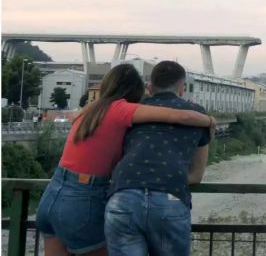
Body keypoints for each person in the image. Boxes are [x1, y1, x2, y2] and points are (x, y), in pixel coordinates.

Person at [35, 64, 216, 256]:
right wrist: (209, 121)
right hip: (83, 199)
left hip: (52, 195)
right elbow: (182, 116)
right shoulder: (121, 110)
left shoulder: (88, 111)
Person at [104, 61, 213, 256]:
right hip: (169, 198)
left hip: (123, 196)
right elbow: (196, 175)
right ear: (182, 88)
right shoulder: (197, 114)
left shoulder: (132, 110)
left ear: (150, 87)